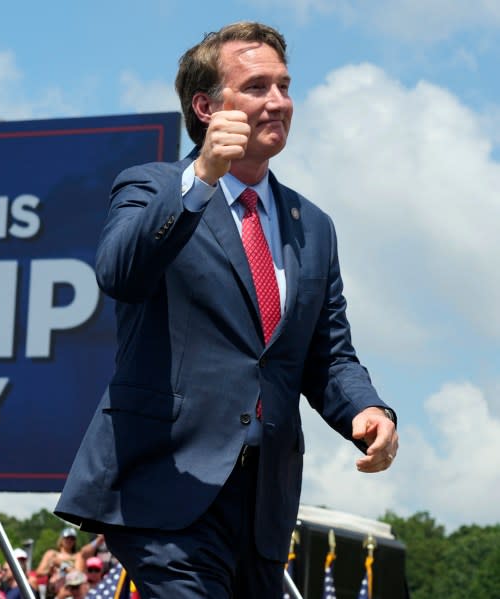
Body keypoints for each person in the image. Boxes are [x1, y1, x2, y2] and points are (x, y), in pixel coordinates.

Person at [55, 20, 399, 599]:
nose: (279, 102)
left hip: (265, 508)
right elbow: (120, 272)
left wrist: (367, 410)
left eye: (285, 86)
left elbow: (328, 354)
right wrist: (201, 181)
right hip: (165, 491)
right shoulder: (150, 186)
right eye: (258, 87)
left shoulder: (312, 226)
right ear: (206, 106)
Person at [36, 528, 78, 595]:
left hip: (70, 589)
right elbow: (39, 572)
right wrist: (50, 571)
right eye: (67, 538)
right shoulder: (52, 554)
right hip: (53, 589)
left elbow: (79, 575)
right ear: (61, 539)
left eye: (72, 539)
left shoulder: (77, 557)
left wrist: (61, 565)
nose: (69, 540)